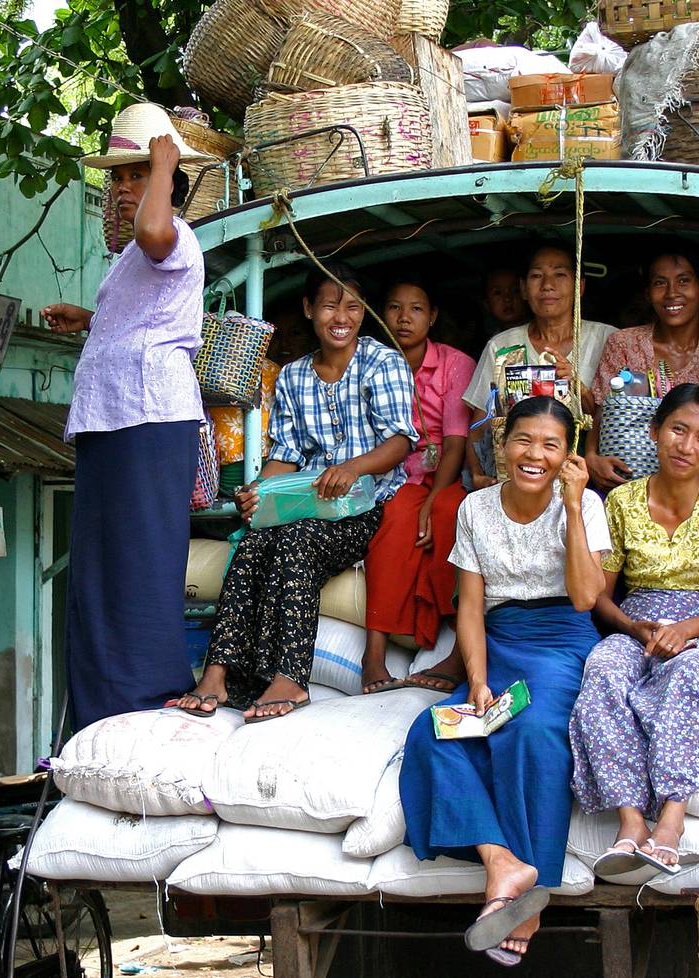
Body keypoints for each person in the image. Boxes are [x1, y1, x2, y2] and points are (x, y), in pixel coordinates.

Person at [399, 396, 608, 966]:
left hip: (562, 641)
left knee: (534, 730)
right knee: (431, 732)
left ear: (568, 455)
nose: (534, 454)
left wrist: (569, 507)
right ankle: (502, 863)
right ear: (501, 444)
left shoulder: (585, 505)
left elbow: (587, 598)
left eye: (551, 445)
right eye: (523, 440)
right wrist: (479, 679)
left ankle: (529, 896)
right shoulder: (475, 508)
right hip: (499, 640)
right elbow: (469, 608)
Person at [43, 103, 217, 734]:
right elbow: (146, 319)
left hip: (149, 419)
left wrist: (166, 166)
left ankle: (142, 704)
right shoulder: (130, 258)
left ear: (168, 178)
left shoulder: (175, 236)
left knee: (140, 564)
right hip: (109, 420)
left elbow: (153, 232)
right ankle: (95, 716)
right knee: (97, 572)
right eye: (116, 177)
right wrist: (88, 321)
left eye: (134, 173)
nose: (122, 188)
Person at [175, 270, 415, 721]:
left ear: (364, 312)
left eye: (352, 307)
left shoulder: (383, 363)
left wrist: (352, 468)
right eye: (329, 305)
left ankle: (291, 678)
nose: (340, 317)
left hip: (365, 506)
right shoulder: (294, 376)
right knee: (252, 541)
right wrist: (258, 492)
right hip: (306, 502)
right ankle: (217, 673)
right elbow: (285, 453)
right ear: (309, 309)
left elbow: (401, 441)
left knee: (296, 541)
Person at [570, 385, 699, 875]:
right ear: (655, 432)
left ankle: (671, 821)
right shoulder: (622, 502)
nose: (686, 446)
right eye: (677, 430)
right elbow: (601, 597)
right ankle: (630, 823)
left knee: (692, 674)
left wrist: (685, 631)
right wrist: (634, 625)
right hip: (636, 619)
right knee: (602, 670)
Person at [362, 280, 475, 693]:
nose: (404, 318)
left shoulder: (454, 363)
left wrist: (432, 499)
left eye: (416, 309)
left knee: (448, 514)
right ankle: (373, 653)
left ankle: (456, 642)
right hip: (396, 474)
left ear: (433, 317)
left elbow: (456, 441)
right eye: (394, 307)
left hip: (446, 472)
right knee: (391, 524)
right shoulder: (371, 362)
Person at [591, 243, 699, 499]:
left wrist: (689, 458)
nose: (672, 293)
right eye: (660, 283)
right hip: (634, 465)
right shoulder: (624, 343)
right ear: (648, 293)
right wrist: (592, 457)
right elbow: (604, 413)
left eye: (684, 281)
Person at [463, 243, 618, 488]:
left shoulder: (609, 339)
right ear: (524, 289)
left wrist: (577, 386)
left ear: (580, 286)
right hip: (519, 476)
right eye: (536, 276)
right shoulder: (501, 345)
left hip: (584, 476)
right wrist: (476, 474)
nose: (547, 285)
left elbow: (613, 422)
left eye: (559, 274)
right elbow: (479, 423)